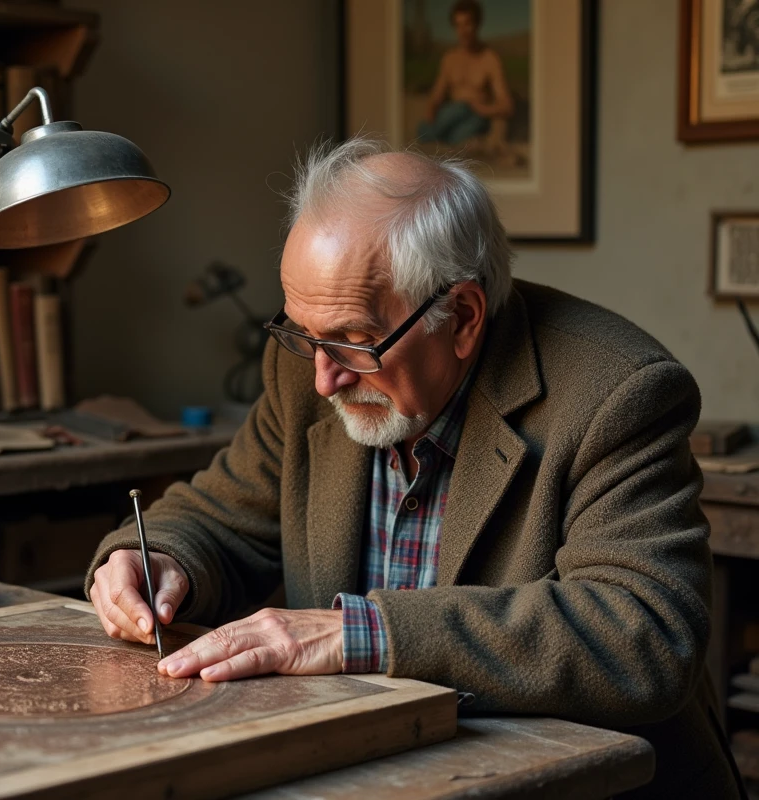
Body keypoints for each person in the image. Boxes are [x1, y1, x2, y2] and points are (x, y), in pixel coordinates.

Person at [85, 136, 741, 797]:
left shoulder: (618, 393)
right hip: (382, 772)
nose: (323, 379)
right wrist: (158, 560)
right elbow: (219, 519)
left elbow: (647, 637)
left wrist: (361, 636)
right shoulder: (308, 366)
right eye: (302, 332)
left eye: (353, 342)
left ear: (461, 317)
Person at [418, 0, 513, 148]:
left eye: (467, 24)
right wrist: (431, 111)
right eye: (458, 25)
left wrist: (481, 108)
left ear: (477, 24)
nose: (463, 31)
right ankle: (434, 137)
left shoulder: (490, 59)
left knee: (456, 137)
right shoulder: (450, 59)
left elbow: (506, 106)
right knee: (426, 129)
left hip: (476, 115)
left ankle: (441, 140)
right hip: (452, 112)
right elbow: (436, 96)